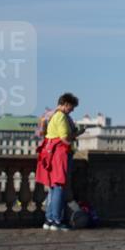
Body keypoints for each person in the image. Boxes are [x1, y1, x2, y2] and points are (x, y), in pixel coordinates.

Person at [36, 92, 83, 231]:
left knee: (52, 188)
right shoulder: (61, 117)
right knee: (59, 188)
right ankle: (56, 221)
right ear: (66, 104)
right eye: (72, 107)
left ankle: (49, 220)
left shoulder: (52, 115)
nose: (72, 110)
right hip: (59, 155)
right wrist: (75, 137)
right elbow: (64, 138)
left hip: (50, 153)